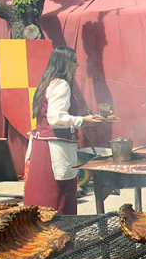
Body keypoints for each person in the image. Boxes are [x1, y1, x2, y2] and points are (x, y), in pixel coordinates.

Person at [24, 46, 102, 215]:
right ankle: (61, 239)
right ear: (64, 62)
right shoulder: (61, 85)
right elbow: (55, 118)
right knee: (57, 198)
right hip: (54, 149)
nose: (78, 65)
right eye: (74, 61)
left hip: (44, 147)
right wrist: (83, 121)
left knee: (42, 197)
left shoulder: (48, 82)